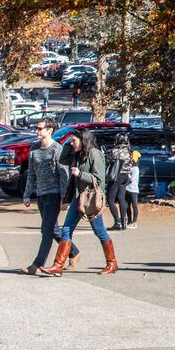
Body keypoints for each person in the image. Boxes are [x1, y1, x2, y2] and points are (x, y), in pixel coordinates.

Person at [43, 129, 118, 276]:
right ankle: (58, 265)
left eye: (74, 141)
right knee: (66, 230)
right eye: (71, 141)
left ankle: (112, 263)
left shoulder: (95, 154)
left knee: (99, 231)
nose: (71, 143)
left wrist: (80, 174)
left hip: (91, 199)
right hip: (78, 198)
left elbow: (99, 180)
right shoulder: (77, 154)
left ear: (83, 141)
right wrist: (68, 146)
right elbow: (62, 160)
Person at [22, 117, 69, 275]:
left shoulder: (57, 149)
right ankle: (74, 252)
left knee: (46, 230)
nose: (37, 131)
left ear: (50, 130)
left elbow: (64, 175)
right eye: (37, 128)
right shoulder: (34, 149)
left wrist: (64, 198)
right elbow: (31, 174)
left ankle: (37, 264)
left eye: (40, 128)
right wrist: (27, 194)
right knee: (53, 229)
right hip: (41, 194)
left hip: (54, 194)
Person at [106, 132, 132, 231]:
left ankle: (117, 222)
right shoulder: (129, 151)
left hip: (116, 176)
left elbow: (108, 161)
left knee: (110, 200)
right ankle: (124, 221)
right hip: (125, 176)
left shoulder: (114, 151)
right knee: (121, 198)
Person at [125, 151, 140, 229]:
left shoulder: (136, 169)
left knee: (134, 205)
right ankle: (129, 221)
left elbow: (132, 179)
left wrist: (127, 174)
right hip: (127, 189)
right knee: (127, 206)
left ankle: (134, 222)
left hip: (133, 190)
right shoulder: (130, 167)